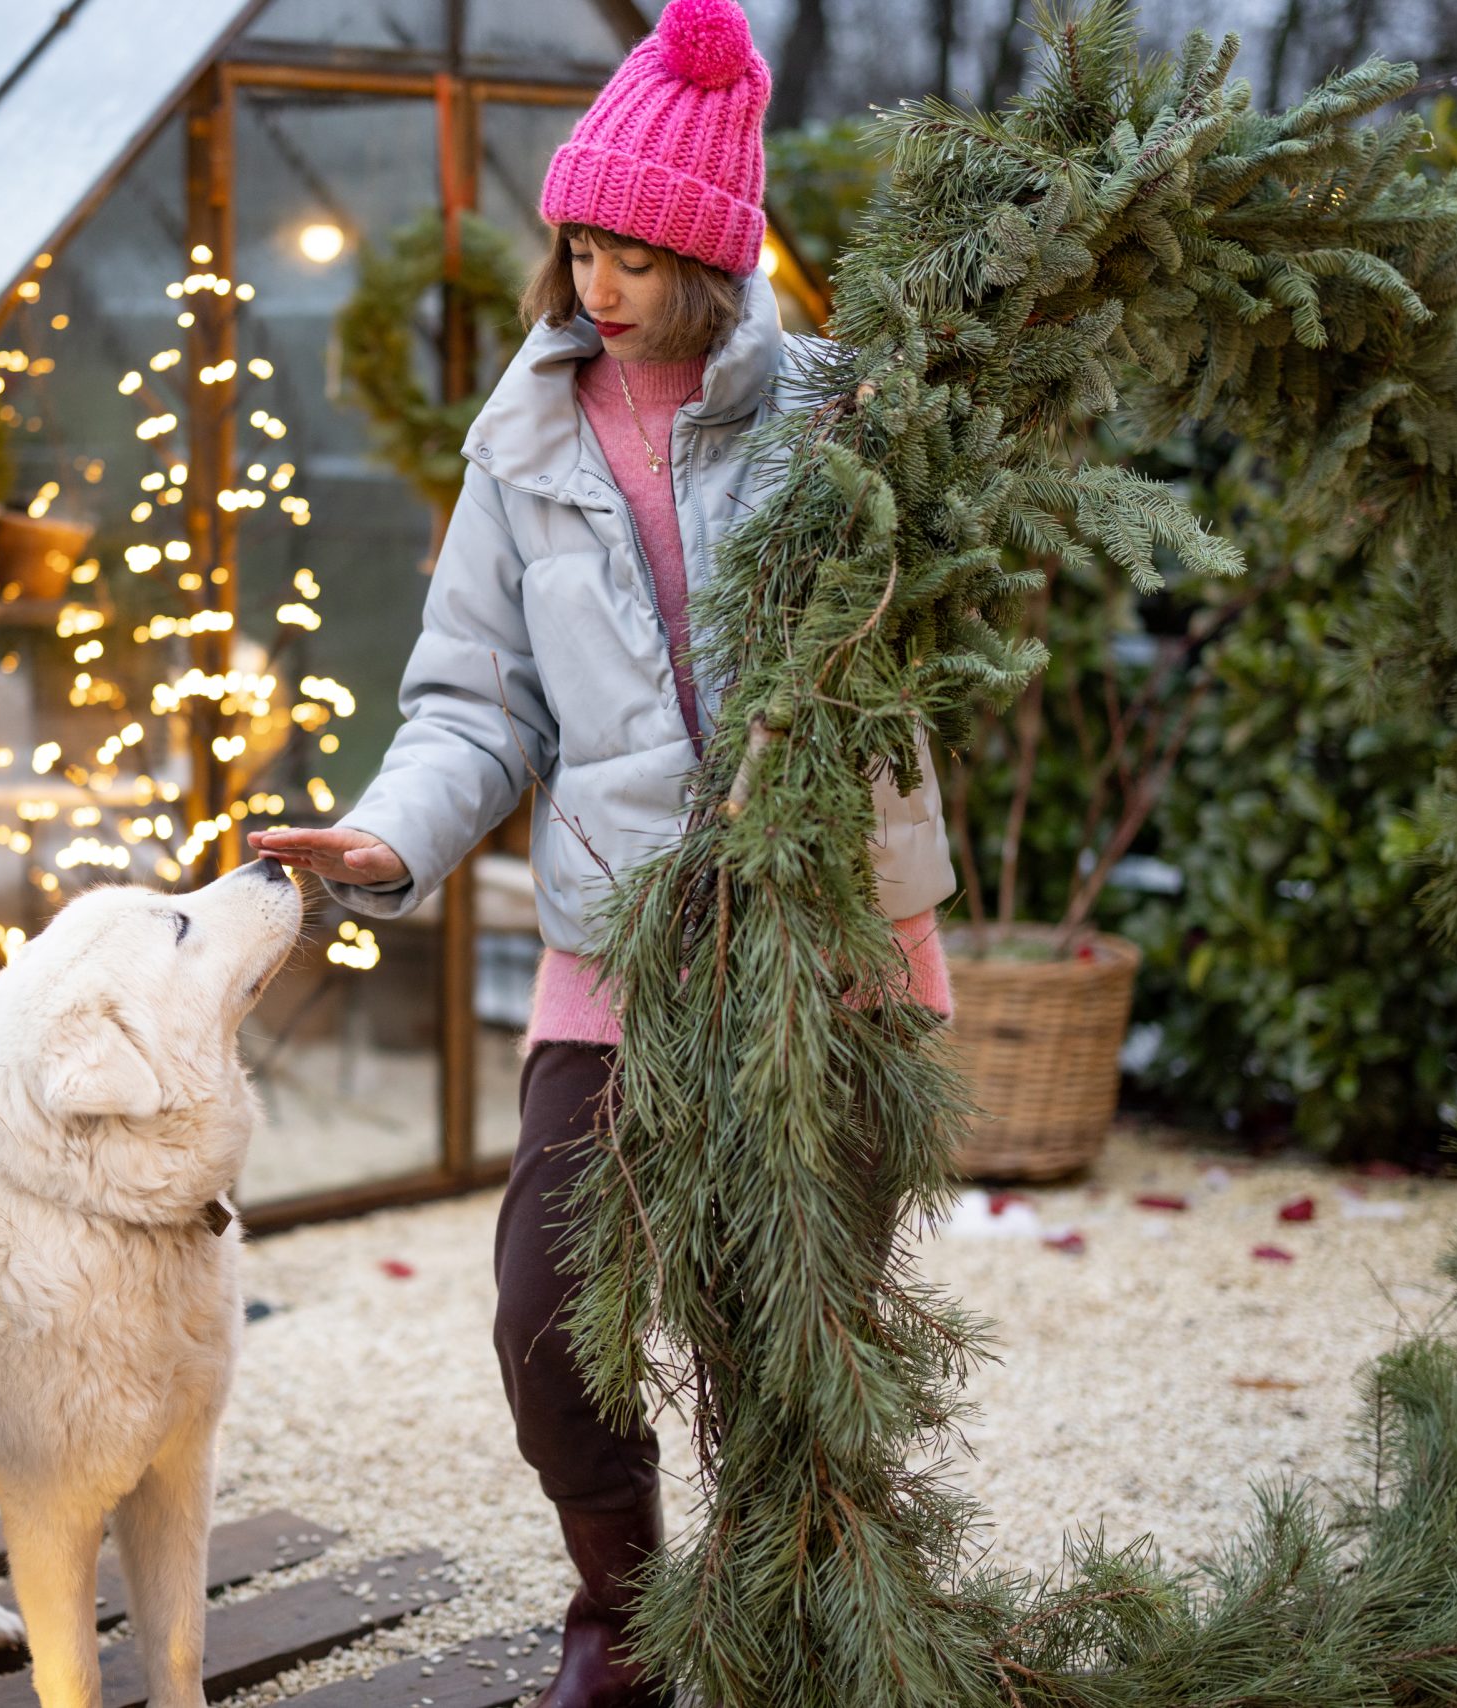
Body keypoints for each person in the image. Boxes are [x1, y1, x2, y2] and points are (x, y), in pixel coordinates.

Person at [249, 3, 956, 1702]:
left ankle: (803, 1637)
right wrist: (384, 834)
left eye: (636, 252)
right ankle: (629, 1624)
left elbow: (922, 630)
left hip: (822, 935)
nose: (598, 282)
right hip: (618, 944)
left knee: (796, 1344)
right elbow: (473, 704)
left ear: (713, 259)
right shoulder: (524, 443)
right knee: (545, 1322)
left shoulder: (841, 414)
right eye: (579, 243)